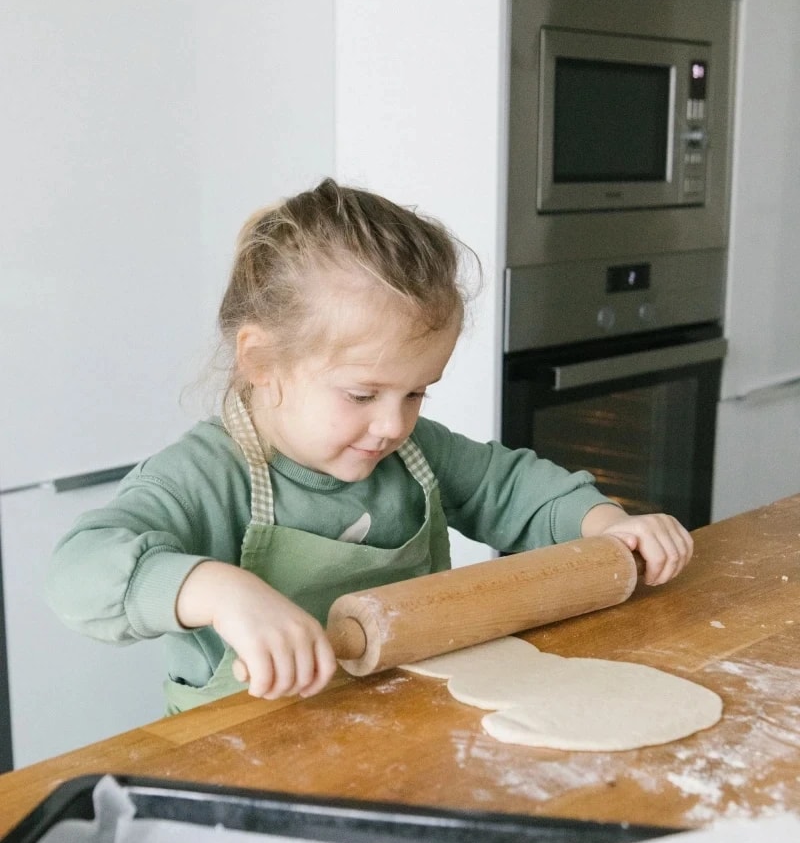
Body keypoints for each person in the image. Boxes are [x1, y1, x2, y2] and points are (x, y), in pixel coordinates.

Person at [46, 179, 693, 714]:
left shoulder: (414, 456)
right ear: (262, 361)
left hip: (407, 718)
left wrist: (609, 524)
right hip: (245, 750)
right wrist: (222, 591)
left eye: (417, 395)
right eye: (362, 395)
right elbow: (77, 573)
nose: (393, 424)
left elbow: (512, 489)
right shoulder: (210, 476)